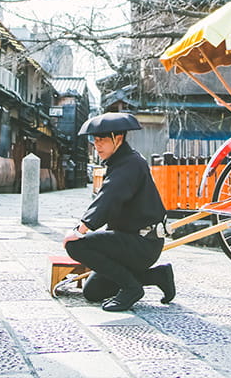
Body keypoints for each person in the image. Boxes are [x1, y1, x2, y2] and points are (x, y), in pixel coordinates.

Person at [63, 112, 175, 312]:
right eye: (95, 140)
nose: (97, 146)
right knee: (93, 292)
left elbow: (108, 199)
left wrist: (80, 230)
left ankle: (132, 289)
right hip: (131, 241)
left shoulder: (129, 164)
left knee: (75, 246)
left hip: (141, 243)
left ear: (119, 139)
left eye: (103, 140)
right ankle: (158, 276)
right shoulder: (122, 162)